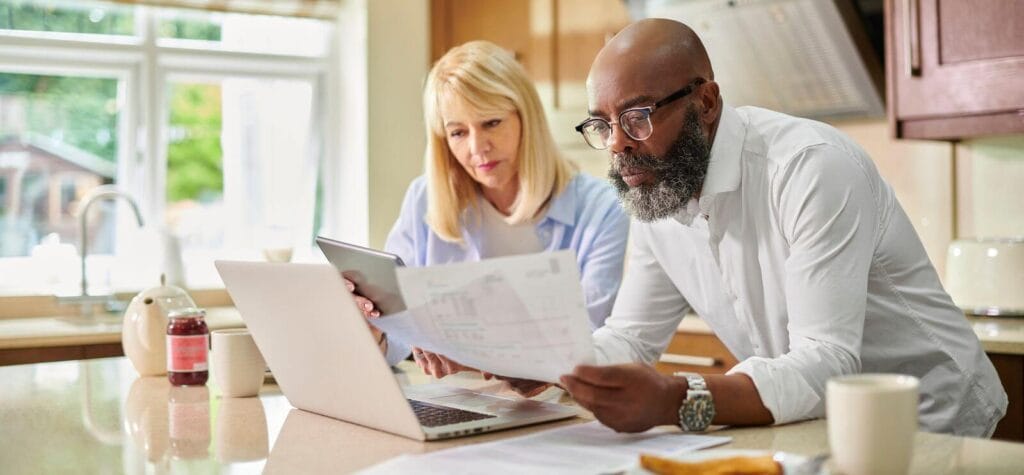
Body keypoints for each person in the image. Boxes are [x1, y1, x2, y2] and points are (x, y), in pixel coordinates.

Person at [558, 18, 1007, 437]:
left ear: (706, 102)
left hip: (933, 418)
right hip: (815, 421)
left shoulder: (809, 167)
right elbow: (630, 338)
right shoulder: (658, 191)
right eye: (602, 123)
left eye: (638, 116)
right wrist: (549, 365)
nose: (616, 143)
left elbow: (827, 360)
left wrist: (676, 398)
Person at [348, 40, 630, 379]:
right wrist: (375, 330)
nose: (477, 147)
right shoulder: (424, 199)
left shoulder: (601, 209)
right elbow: (399, 332)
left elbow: (589, 339)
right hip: (460, 400)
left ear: (526, 118)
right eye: (457, 132)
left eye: (492, 123)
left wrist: (475, 354)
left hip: (564, 408)